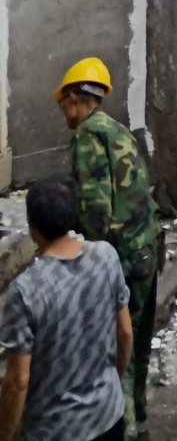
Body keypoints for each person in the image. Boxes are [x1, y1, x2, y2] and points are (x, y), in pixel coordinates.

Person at [54, 57, 161, 441]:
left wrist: (84, 260)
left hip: (123, 257)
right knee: (141, 347)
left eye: (62, 104)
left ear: (74, 98)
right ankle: (141, 423)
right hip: (148, 246)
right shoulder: (117, 129)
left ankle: (125, 430)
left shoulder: (87, 136)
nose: (63, 113)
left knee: (119, 353)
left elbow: (96, 211)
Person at [0, 174, 133, 441]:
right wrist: (112, 384)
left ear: (31, 223)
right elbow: (125, 333)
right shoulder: (106, 256)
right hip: (108, 417)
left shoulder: (26, 291)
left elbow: (18, 381)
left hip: (56, 431)